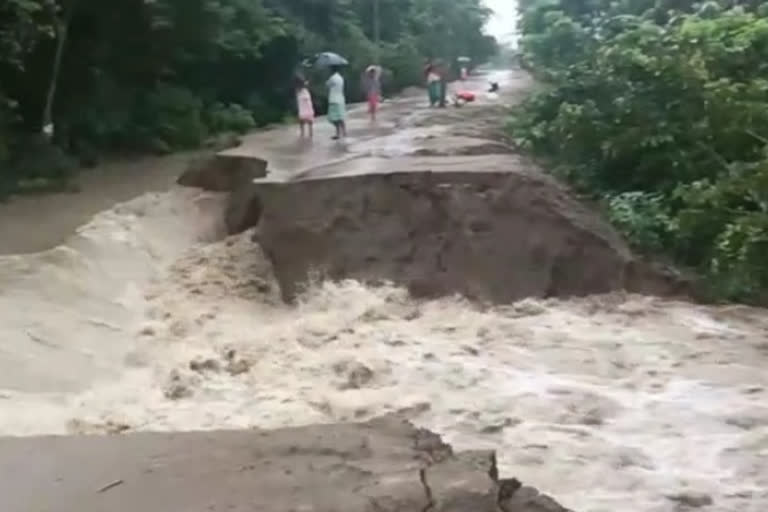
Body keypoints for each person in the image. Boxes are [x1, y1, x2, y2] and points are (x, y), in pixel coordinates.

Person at [326, 65, 347, 140]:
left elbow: (327, 85)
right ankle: (344, 132)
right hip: (340, 98)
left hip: (334, 99)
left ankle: (338, 133)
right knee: (340, 117)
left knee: (334, 118)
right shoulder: (340, 78)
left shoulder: (332, 78)